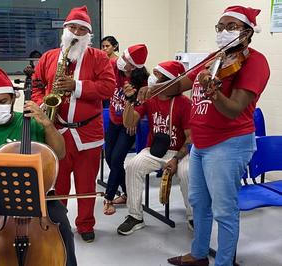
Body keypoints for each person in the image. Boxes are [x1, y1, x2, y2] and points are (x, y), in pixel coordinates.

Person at [138, 6, 270, 266]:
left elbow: (233, 110)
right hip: (201, 142)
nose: (223, 32)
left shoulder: (255, 62)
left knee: (224, 210)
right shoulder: (216, 58)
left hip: (229, 144)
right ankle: (199, 255)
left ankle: (223, 262)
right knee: (199, 203)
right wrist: (153, 88)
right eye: (220, 27)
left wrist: (214, 93)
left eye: (230, 27)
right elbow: (180, 84)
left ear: (247, 32)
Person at [0, 66, 77, 266]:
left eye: (3, 101)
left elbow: (59, 153)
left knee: (63, 231)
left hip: (37, 197)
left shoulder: (32, 123)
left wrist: (47, 123)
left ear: (13, 99)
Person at [31, 6, 116, 242]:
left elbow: (109, 88)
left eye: (82, 29)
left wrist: (76, 86)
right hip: (56, 130)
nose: (76, 32)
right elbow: (37, 85)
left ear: (88, 34)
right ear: (65, 29)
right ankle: (59, 223)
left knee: (86, 184)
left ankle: (86, 224)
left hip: (87, 132)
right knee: (57, 184)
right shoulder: (48, 57)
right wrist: (43, 106)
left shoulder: (98, 57)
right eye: (73, 27)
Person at [116, 60, 193, 235]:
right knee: (133, 166)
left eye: (158, 75)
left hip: (179, 152)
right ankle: (135, 216)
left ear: (169, 81)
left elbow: (190, 138)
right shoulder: (150, 99)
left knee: (186, 172)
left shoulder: (184, 103)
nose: (152, 78)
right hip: (155, 150)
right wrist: (129, 101)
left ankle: (193, 216)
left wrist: (175, 159)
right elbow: (129, 122)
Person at [103, 44, 149, 215]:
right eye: (122, 56)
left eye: (126, 59)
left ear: (135, 67)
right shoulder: (115, 67)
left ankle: (108, 198)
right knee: (109, 158)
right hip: (114, 121)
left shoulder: (142, 83)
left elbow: (140, 108)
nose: (121, 60)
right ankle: (128, 193)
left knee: (116, 160)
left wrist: (133, 99)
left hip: (128, 126)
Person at [101, 36, 119, 108]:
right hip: (103, 90)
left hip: (114, 92)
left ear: (114, 47)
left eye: (107, 46)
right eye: (103, 46)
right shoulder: (101, 61)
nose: (105, 48)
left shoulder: (118, 61)